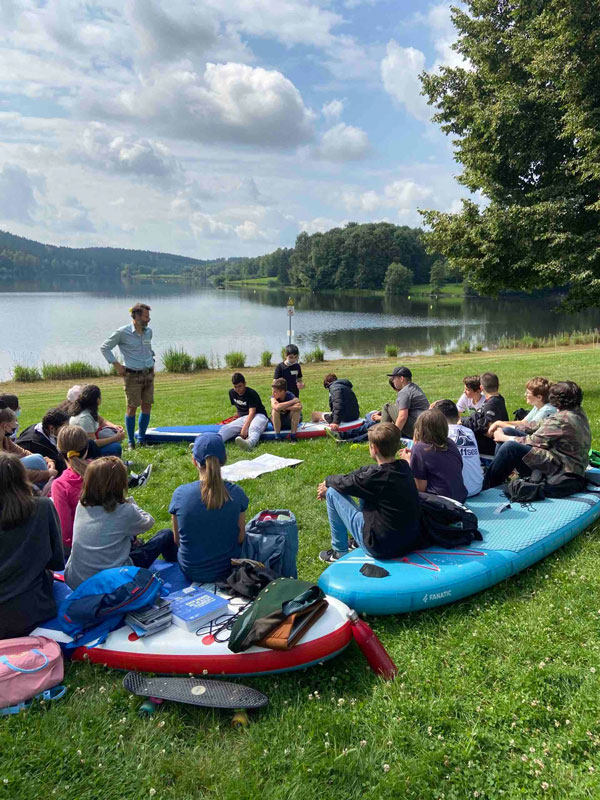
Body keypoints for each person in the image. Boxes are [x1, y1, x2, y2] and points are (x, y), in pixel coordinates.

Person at [64, 457, 177, 590]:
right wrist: (130, 502)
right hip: (112, 582)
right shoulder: (124, 510)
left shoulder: (82, 506)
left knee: (130, 540)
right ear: (120, 484)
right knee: (166, 534)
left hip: (75, 579)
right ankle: (178, 570)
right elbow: (149, 522)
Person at [317, 423, 421, 562]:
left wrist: (327, 482)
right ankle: (356, 541)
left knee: (331, 493)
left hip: (381, 547)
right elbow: (359, 476)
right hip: (409, 542)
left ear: (374, 448)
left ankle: (339, 551)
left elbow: (345, 483)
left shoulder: (374, 479)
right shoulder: (403, 467)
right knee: (363, 491)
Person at [169, 433, 249, 584]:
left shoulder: (180, 494)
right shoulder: (237, 493)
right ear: (224, 460)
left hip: (191, 570)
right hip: (227, 568)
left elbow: (177, 540)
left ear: (194, 461)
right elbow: (241, 538)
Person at [0, 453, 64, 639]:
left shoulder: (41, 507)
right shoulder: (43, 508)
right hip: (33, 609)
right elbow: (57, 561)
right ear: (22, 477)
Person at [484, 381, 591, 488]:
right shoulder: (576, 411)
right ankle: (498, 476)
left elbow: (533, 441)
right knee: (507, 431)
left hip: (565, 470)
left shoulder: (561, 419)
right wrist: (504, 426)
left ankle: (488, 485)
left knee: (510, 447)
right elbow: (535, 425)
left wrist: (504, 438)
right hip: (568, 461)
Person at [100, 302, 154, 450]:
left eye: (149, 317)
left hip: (148, 374)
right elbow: (104, 347)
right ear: (135, 316)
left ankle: (142, 439)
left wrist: (152, 362)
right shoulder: (122, 332)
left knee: (147, 406)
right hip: (132, 376)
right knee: (131, 407)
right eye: (145, 317)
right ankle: (131, 441)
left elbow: (148, 349)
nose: (148, 320)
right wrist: (116, 365)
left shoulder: (148, 332)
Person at [401, 409, 468, 502]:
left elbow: (420, 488)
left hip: (441, 504)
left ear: (419, 428)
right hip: (460, 498)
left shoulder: (419, 449)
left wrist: (408, 461)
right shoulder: (451, 443)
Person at [50, 425, 89, 556]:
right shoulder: (101, 470)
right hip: (111, 538)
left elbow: (65, 532)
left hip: (78, 547)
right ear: (86, 449)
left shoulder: (60, 485)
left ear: (59, 450)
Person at [432, 399, 483, 496]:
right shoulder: (469, 432)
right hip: (476, 487)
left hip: (456, 492)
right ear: (458, 416)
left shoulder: (440, 434)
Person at [0, 407, 57, 487]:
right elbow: (12, 471)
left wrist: (47, 460)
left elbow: (20, 451)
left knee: (37, 458)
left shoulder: (4, 437)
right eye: (13, 428)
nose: (14, 431)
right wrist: (47, 474)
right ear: (5, 426)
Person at [370, 366, 429, 438]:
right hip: (425, 428)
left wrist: (394, 435)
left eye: (394, 378)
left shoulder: (404, 392)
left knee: (387, 406)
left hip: (416, 429)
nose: (393, 381)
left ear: (401, 379)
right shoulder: (414, 387)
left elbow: (402, 417)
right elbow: (400, 409)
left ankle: (383, 436)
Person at [488, 377, 557, 437]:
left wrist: (500, 424)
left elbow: (528, 430)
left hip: (539, 444)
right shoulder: (538, 405)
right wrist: (499, 423)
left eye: (527, 393)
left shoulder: (546, 410)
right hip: (532, 437)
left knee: (507, 431)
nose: (525, 394)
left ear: (539, 397)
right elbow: (523, 423)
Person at [69, 385, 125, 458]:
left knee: (110, 434)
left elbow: (101, 421)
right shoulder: (84, 418)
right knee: (115, 447)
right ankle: (111, 465)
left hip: (87, 447)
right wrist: (116, 438)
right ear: (97, 399)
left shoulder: (87, 409)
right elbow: (94, 443)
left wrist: (114, 426)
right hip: (84, 453)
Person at [218, 372, 269, 452]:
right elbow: (239, 407)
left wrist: (244, 428)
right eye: (235, 387)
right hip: (245, 417)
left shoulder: (251, 393)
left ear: (245, 384)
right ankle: (213, 443)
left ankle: (249, 443)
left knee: (253, 428)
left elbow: (252, 412)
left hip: (259, 415)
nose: (238, 389)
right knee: (226, 428)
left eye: (240, 386)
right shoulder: (232, 393)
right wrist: (236, 417)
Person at [461, 372, 508, 456]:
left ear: (481, 388)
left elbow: (491, 432)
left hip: (491, 446)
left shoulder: (490, 404)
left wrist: (472, 425)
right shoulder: (499, 398)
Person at [17, 408, 70, 474]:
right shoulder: (33, 443)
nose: (66, 430)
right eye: (64, 428)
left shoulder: (48, 432)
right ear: (52, 428)